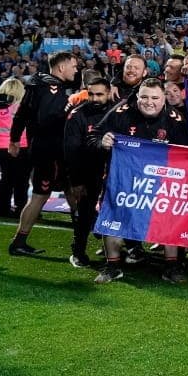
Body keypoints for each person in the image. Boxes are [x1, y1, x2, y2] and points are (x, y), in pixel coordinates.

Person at [91, 79, 188, 284]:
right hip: (123, 179)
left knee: (169, 215)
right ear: (137, 97)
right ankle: (112, 266)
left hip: (161, 180)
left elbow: (187, 154)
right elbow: (94, 135)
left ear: (164, 99)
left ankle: (172, 267)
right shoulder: (121, 112)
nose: (149, 102)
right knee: (112, 214)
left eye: (155, 98)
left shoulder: (176, 120)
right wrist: (102, 142)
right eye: (144, 97)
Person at [8, 51, 79, 257]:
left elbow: (21, 115)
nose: (76, 70)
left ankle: (81, 236)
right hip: (51, 152)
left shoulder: (36, 84)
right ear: (61, 67)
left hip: (44, 149)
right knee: (41, 195)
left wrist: (14, 139)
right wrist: (71, 104)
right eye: (74, 66)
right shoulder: (52, 88)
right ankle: (19, 242)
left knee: (72, 191)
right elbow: (48, 118)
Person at [62, 75, 114, 267]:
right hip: (88, 171)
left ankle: (127, 250)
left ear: (109, 93)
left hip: (115, 172)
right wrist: (76, 181)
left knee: (117, 211)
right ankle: (78, 252)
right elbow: (71, 151)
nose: (95, 98)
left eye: (99, 94)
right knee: (85, 213)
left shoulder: (117, 112)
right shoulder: (77, 115)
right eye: (91, 94)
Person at [0, 77, 31, 219]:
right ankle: (21, 209)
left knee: (6, 179)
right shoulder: (19, 107)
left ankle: (2, 208)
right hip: (20, 146)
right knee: (21, 180)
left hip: (1, 148)